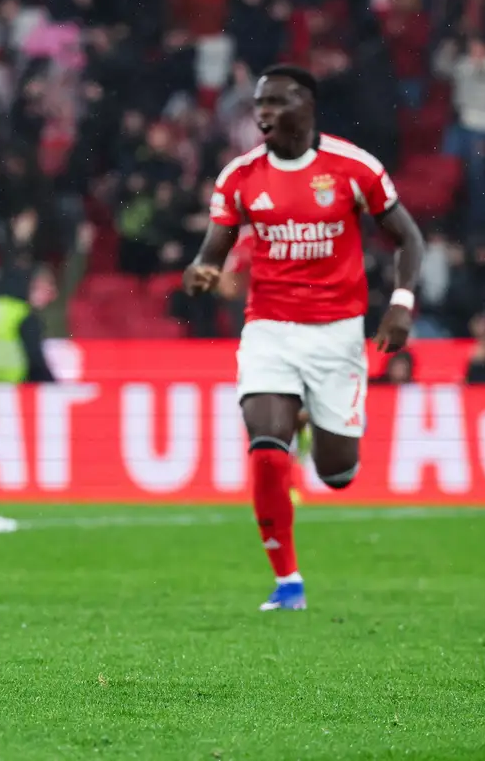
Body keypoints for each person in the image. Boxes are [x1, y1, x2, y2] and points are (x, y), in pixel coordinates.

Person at [183, 64, 424, 613]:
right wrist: (199, 271)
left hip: (338, 333)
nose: (263, 112)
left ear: (307, 106)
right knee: (267, 449)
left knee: (337, 475)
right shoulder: (239, 177)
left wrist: (401, 303)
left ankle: (318, 424)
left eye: (276, 101)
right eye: (259, 103)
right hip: (268, 328)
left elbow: (408, 236)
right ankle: (287, 581)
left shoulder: (353, 168)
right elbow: (210, 255)